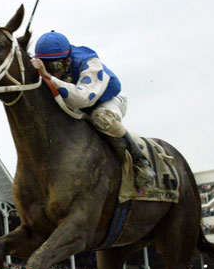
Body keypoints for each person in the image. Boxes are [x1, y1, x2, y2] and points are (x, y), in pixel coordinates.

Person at [32, 32, 155, 186]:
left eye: (56, 66)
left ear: (67, 60)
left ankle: (140, 161)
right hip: (78, 104)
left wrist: (49, 78)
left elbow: (82, 99)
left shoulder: (89, 62)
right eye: (45, 66)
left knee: (101, 117)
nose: (52, 71)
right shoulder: (50, 70)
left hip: (107, 100)